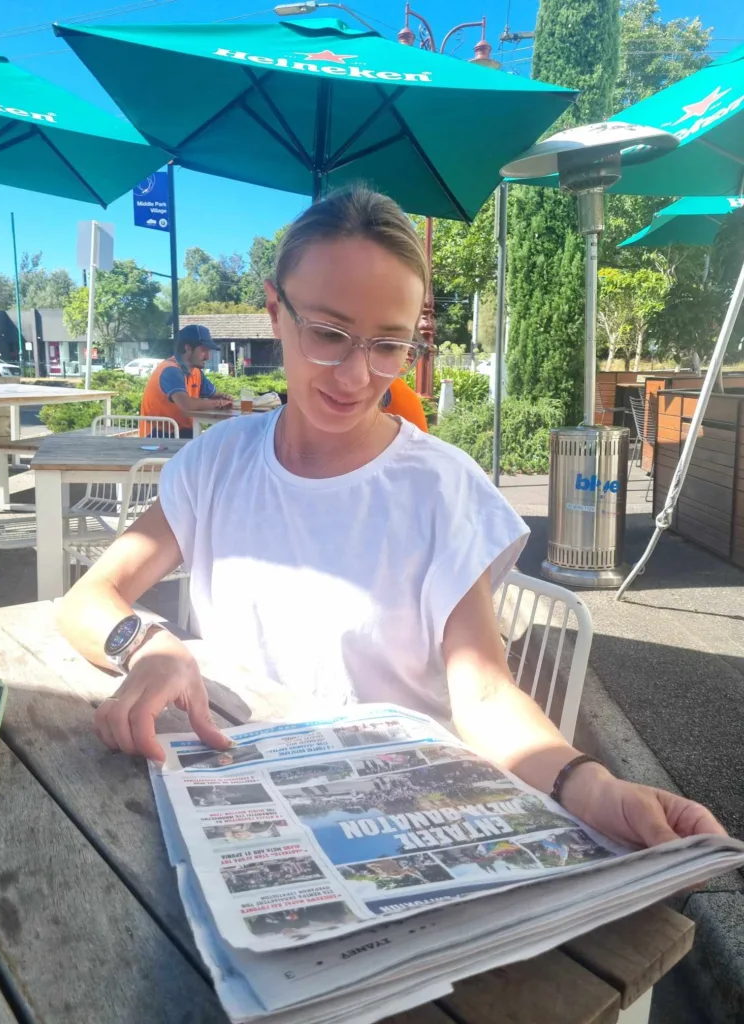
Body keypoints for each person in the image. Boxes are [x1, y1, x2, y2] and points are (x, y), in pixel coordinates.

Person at [59, 186, 724, 854]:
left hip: (403, 822)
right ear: (274, 311)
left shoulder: (442, 490)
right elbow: (88, 599)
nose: (356, 374)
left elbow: (485, 693)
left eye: (388, 345)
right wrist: (148, 647)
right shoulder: (214, 468)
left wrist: (589, 784)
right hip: (244, 804)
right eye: (328, 333)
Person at [140, 324, 233, 438]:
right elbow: (187, 404)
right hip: (157, 437)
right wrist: (218, 403)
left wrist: (223, 398)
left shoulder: (196, 372)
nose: (208, 357)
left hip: (182, 432)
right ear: (188, 348)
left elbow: (214, 395)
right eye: (204, 350)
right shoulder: (170, 370)